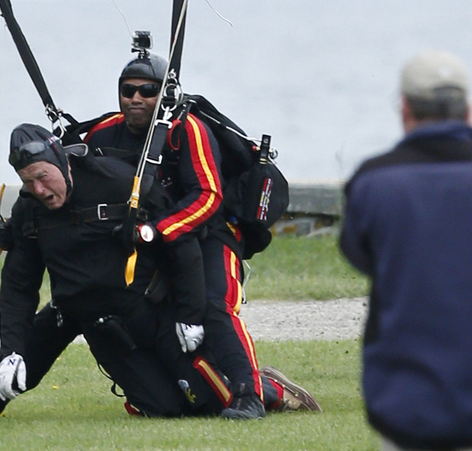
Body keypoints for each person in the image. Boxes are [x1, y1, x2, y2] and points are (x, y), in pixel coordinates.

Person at [83, 47, 321, 418]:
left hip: (211, 234)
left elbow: (208, 195)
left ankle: (250, 394)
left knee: (213, 306)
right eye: (127, 90)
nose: (135, 99)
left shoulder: (187, 130)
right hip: (150, 246)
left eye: (147, 91)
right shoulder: (103, 134)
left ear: (164, 93)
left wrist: (158, 230)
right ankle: (183, 389)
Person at [0, 123, 231, 419]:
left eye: (43, 177)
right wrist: (11, 351)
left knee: (211, 403)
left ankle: (267, 387)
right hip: (89, 318)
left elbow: (181, 243)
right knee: (167, 409)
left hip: (151, 309)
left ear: (61, 161)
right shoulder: (29, 210)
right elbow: (19, 286)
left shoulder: (122, 183)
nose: (39, 190)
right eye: (28, 182)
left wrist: (190, 315)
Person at [339, 50, 472, 450]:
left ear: (405, 109)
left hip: (405, 403)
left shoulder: (374, 180)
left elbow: (359, 254)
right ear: (468, 108)